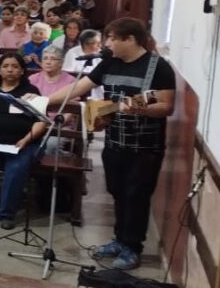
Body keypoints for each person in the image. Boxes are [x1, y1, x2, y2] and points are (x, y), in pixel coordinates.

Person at [45, 18, 176, 269]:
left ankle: (132, 247)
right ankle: (119, 239)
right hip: (114, 140)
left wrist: (138, 109)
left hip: (144, 147)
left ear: (130, 40)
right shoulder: (109, 62)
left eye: (113, 38)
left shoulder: (158, 67)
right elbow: (80, 86)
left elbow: (167, 105)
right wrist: (45, 101)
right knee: (117, 191)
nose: (108, 43)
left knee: (136, 195)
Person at [0, 52, 47, 230]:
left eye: (14, 66)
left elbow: (40, 121)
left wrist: (27, 139)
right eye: (5, 66)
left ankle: (7, 213)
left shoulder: (31, 92)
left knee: (16, 168)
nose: (10, 70)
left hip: (23, 143)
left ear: (22, 71)